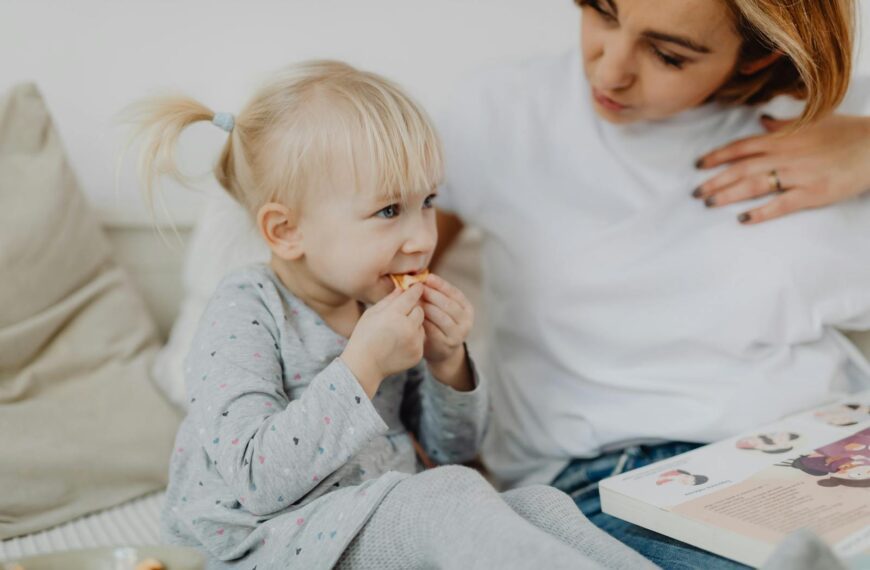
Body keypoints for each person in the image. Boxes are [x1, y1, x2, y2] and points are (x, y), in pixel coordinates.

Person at [123, 60, 659, 570]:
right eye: (387, 211)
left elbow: (454, 452)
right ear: (287, 231)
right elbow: (256, 478)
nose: (424, 238)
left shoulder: (376, 305)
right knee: (443, 500)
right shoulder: (246, 309)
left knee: (539, 507)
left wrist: (449, 363)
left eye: (428, 201)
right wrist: (362, 366)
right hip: (263, 545)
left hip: (368, 525)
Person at [432, 0, 870, 567]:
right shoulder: (502, 112)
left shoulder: (836, 123)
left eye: (667, 55)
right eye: (603, 13)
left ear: (759, 60)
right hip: (617, 477)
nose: (609, 70)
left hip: (831, 451)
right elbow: (356, 276)